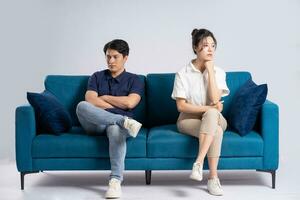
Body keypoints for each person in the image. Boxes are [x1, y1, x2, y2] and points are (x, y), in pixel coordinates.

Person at [76, 39, 144, 199]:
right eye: (108, 57)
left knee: (114, 128)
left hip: (116, 127)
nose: (110, 61)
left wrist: (105, 97)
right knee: (81, 106)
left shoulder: (135, 79)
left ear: (125, 58)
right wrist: (118, 110)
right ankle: (121, 120)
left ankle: (115, 181)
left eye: (115, 57)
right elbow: (90, 100)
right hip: (96, 123)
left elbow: (130, 102)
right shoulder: (97, 76)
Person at [171, 29, 230, 196]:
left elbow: (214, 98)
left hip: (217, 118)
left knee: (212, 116)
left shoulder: (218, 72)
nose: (210, 49)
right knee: (215, 130)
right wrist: (211, 108)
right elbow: (181, 107)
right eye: (205, 46)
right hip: (188, 120)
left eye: (213, 46)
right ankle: (213, 178)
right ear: (195, 48)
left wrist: (210, 71)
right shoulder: (183, 74)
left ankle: (198, 163)